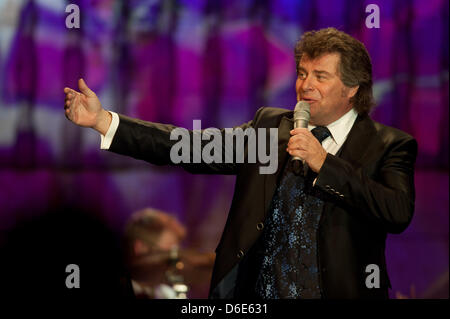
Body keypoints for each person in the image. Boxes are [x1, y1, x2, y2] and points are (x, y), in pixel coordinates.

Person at [63, 27, 417, 299]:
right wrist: (105, 122)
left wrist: (324, 162)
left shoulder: (388, 145)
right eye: (302, 73)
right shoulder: (271, 129)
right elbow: (190, 146)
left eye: (320, 76)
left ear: (353, 88)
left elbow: (396, 211)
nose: (304, 85)